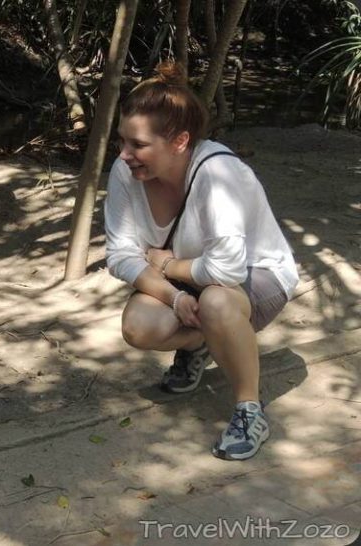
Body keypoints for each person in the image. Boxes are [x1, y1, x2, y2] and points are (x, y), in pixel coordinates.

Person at [103, 61, 299, 461]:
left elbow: (226, 270)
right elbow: (120, 254)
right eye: (122, 142)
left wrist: (167, 265)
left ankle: (249, 409)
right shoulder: (126, 173)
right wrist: (174, 298)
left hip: (255, 277)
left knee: (216, 302)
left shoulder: (218, 171)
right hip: (192, 278)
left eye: (137, 145)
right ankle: (204, 344)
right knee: (139, 327)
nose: (124, 155)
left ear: (179, 142)